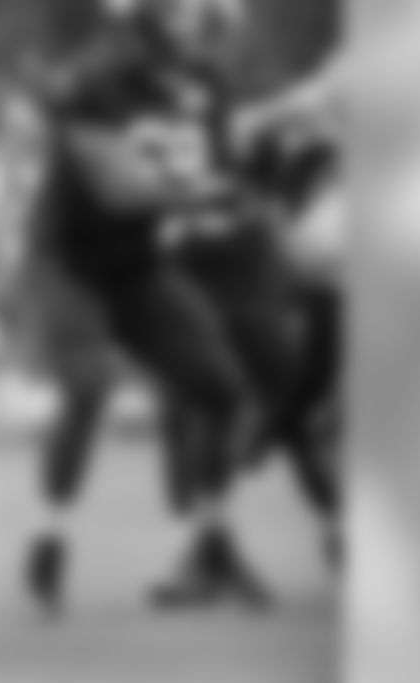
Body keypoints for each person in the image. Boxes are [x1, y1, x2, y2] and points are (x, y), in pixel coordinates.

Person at [22, 0, 284, 613]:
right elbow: (120, 192)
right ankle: (50, 535)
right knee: (89, 387)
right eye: (182, 11)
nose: (199, 19)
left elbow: (224, 174)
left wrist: (251, 182)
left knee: (222, 388)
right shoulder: (95, 84)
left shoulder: (206, 84)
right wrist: (202, 192)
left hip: (137, 264)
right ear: (144, 19)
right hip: (70, 262)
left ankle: (211, 541)